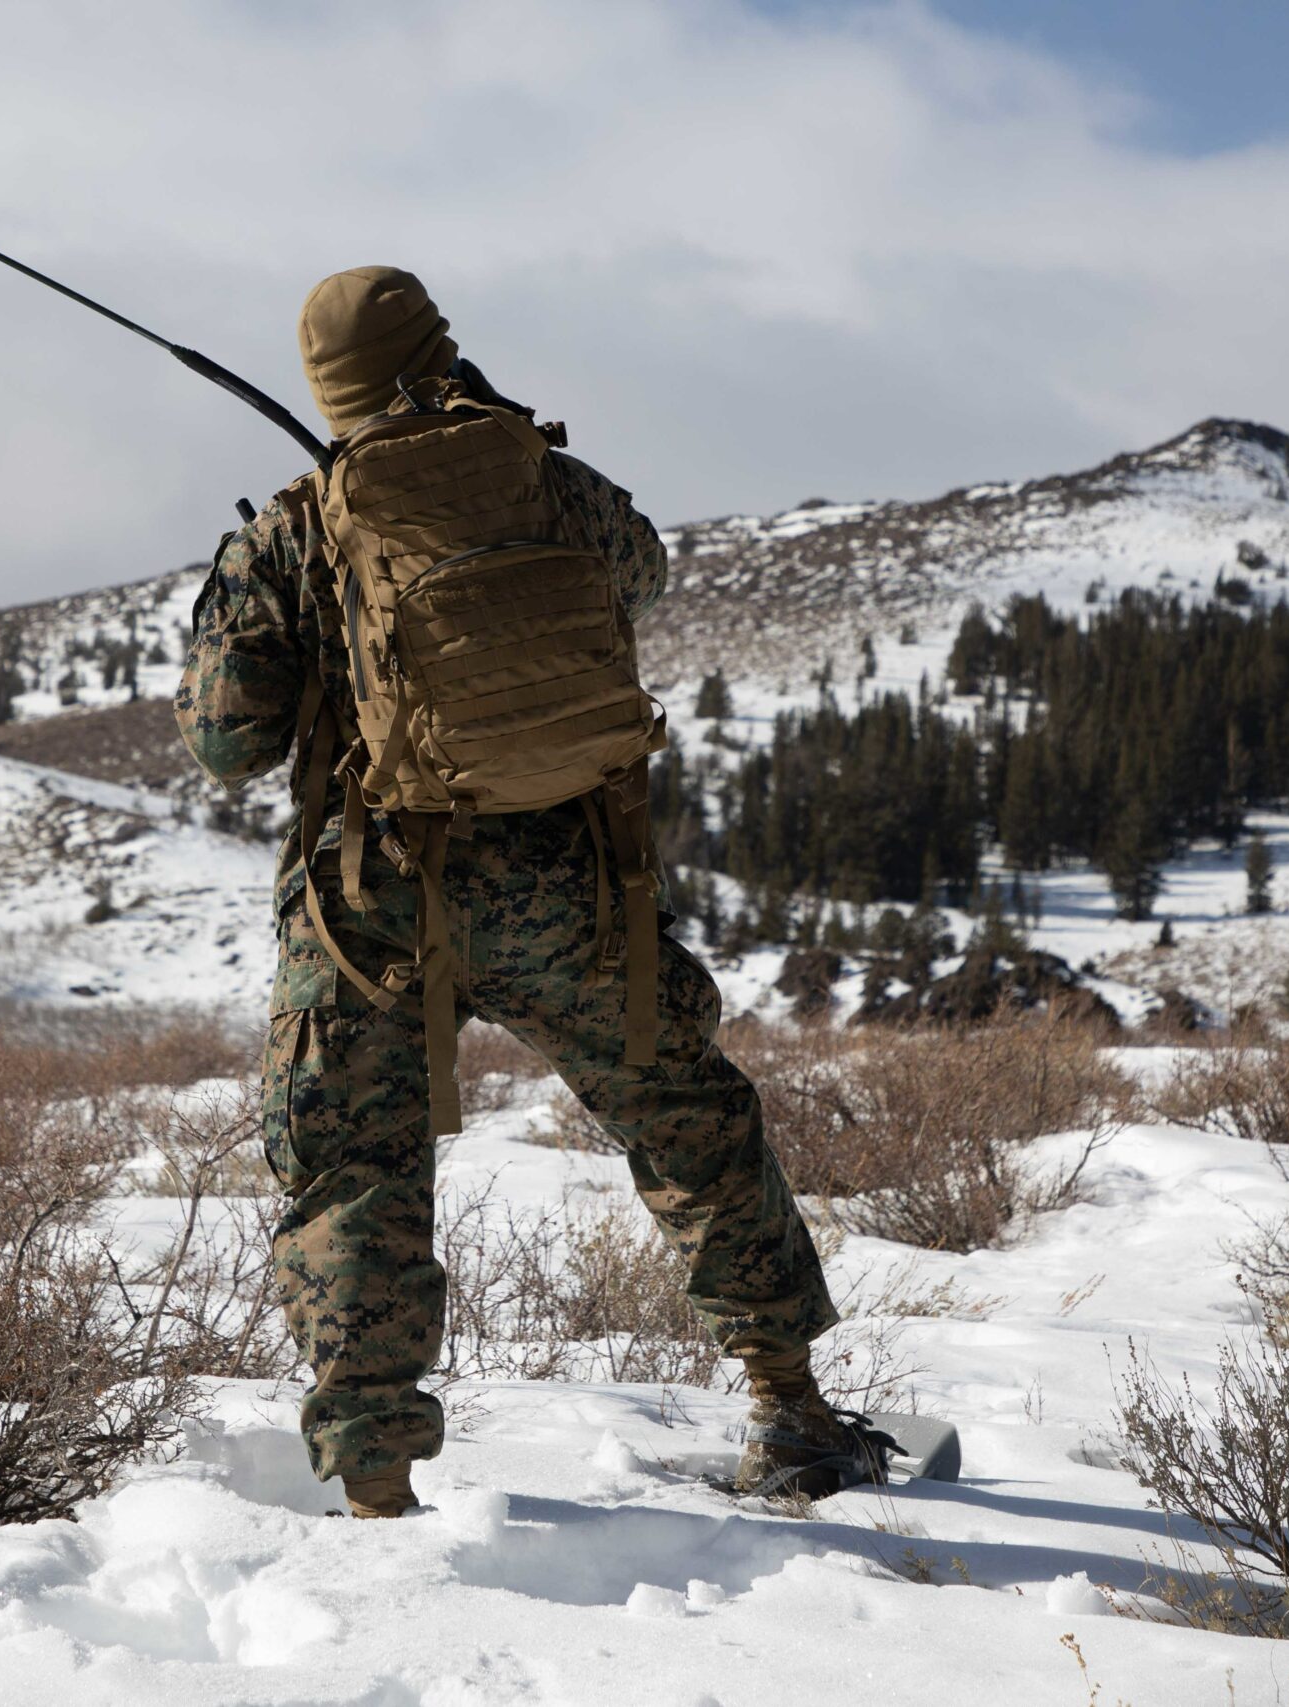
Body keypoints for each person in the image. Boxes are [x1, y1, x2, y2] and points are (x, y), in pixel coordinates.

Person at [175, 266, 878, 1517]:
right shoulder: (554, 483)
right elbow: (644, 574)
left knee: (354, 1172)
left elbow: (227, 742)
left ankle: (379, 1491)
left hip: (370, 902)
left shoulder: (295, 522)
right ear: (444, 351)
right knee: (684, 1118)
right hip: (572, 886)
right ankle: (789, 1411)